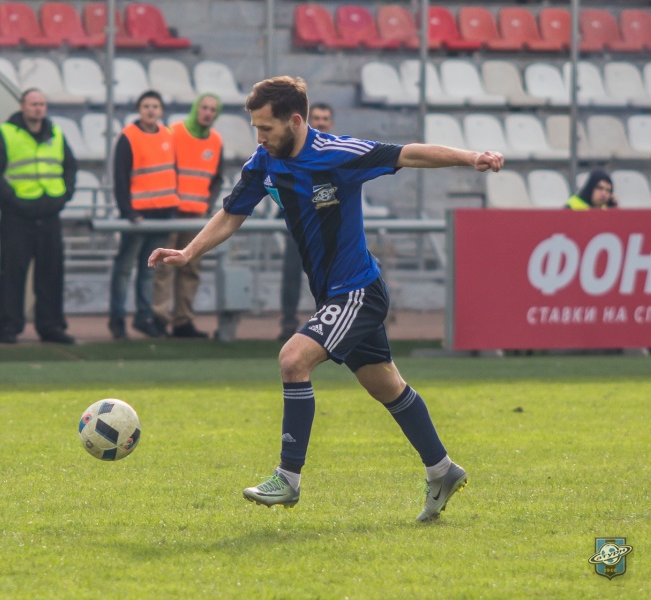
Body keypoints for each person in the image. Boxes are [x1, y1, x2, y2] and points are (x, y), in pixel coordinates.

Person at [149, 76, 504, 521]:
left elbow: (409, 153)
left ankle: (288, 478)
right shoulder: (265, 161)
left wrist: (471, 157)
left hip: (358, 291)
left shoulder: (338, 154)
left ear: (295, 121)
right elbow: (232, 213)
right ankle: (442, 469)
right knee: (386, 386)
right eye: (256, 128)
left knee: (293, 359)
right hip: (334, 295)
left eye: (266, 128)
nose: (259, 137)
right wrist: (188, 252)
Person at [0, 88, 78, 345]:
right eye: (33, 104)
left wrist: (64, 195)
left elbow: (70, 166)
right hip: (17, 216)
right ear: (22, 106)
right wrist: (11, 198)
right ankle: (7, 327)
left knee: (51, 273)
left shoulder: (56, 133)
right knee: (12, 273)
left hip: (49, 214)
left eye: (42, 104)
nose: (38, 108)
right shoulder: (6, 133)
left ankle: (51, 326)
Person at [151, 93, 224, 338]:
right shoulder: (174, 132)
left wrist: (208, 203)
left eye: (212, 109)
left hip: (196, 215)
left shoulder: (216, 140)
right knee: (164, 267)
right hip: (172, 212)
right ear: (196, 108)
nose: (207, 113)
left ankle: (183, 321)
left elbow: (217, 178)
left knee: (190, 268)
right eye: (204, 107)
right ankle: (159, 318)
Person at [108, 90, 178, 340]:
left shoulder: (168, 135)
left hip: (163, 214)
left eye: (155, 106)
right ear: (139, 109)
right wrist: (127, 211)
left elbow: (172, 172)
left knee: (149, 270)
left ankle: (144, 317)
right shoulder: (128, 136)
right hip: (138, 216)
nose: (150, 110)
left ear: (161, 111)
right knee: (125, 268)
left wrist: (172, 208)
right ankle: (117, 319)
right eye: (146, 106)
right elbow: (120, 177)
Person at [278, 102, 334, 341]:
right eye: (317, 118)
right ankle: (288, 324)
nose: (321, 122)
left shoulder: (337, 152)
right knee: (291, 276)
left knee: (329, 277)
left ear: (331, 123)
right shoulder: (296, 149)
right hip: (299, 226)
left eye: (325, 118)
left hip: (328, 228)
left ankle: (328, 324)